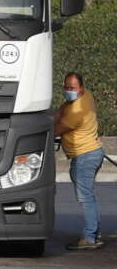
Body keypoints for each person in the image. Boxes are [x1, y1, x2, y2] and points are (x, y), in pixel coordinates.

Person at [54, 72, 105, 250]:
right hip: (91, 153)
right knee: (88, 196)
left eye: (72, 88)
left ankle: (90, 238)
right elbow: (61, 110)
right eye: (66, 87)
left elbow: (55, 130)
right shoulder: (86, 96)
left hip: (85, 156)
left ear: (81, 89)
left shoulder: (78, 111)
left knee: (86, 198)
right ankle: (93, 234)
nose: (69, 91)